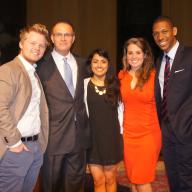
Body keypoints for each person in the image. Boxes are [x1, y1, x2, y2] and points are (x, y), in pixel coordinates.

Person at [37, 21, 90, 192]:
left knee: (76, 185)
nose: (63, 38)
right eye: (58, 34)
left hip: (79, 138)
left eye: (67, 34)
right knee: (52, 185)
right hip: (54, 138)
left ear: (73, 38)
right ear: (52, 38)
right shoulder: (40, 65)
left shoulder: (84, 64)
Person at [0, 23, 49, 192]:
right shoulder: (8, 70)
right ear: (21, 44)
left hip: (34, 147)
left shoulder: (33, 73)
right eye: (32, 43)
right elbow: (0, 108)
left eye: (41, 45)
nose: (37, 48)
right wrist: (14, 143)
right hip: (15, 149)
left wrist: (39, 145)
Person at [152, 16, 192, 192]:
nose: (160, 37)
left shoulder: (189, 56)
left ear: (174, 31)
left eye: (164, 31)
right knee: (173, 177)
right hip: (167, 134)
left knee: (187, 179)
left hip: (188, 133)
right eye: (155, 34)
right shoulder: (159, 61)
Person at [118, 37, 161, 192]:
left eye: (138, 52)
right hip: (128, 136)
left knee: (142, 181)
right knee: (133, 181)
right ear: (126, 55)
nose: (134, 56)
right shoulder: (121, 76)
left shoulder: (155, 77)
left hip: (149, 135)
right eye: (130, 53)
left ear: (145, 55)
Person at [84, 48, 122, 192]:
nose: (99, 65)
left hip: (111, 139)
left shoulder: (116, 85)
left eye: (103, 61)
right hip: (92, 141)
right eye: (95, 61)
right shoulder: (83, 85)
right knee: (98, 180)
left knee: (111, 178)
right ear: (90, 64)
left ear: (108, 64)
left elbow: (121, 112)